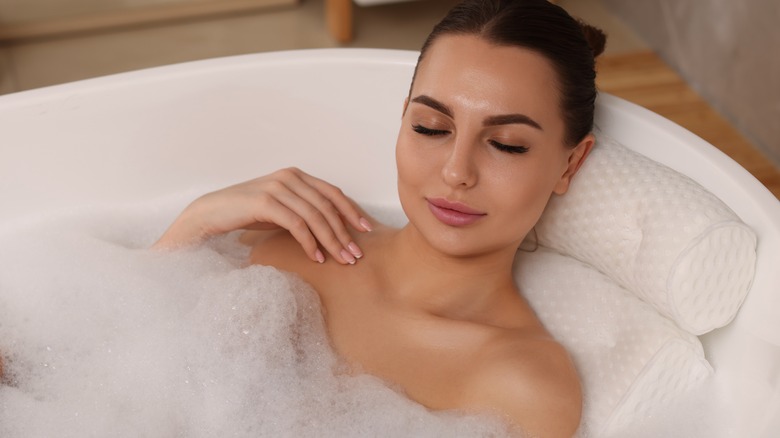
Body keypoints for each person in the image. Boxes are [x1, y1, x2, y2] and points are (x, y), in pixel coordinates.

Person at [154, 1, 606, 436]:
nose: (455, 172)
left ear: (570, 164)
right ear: (403, 116)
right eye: (431, 127)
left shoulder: (523, 385)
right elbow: (114, 349)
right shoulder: (289, 238)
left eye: (507, 144)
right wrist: (197, 222)